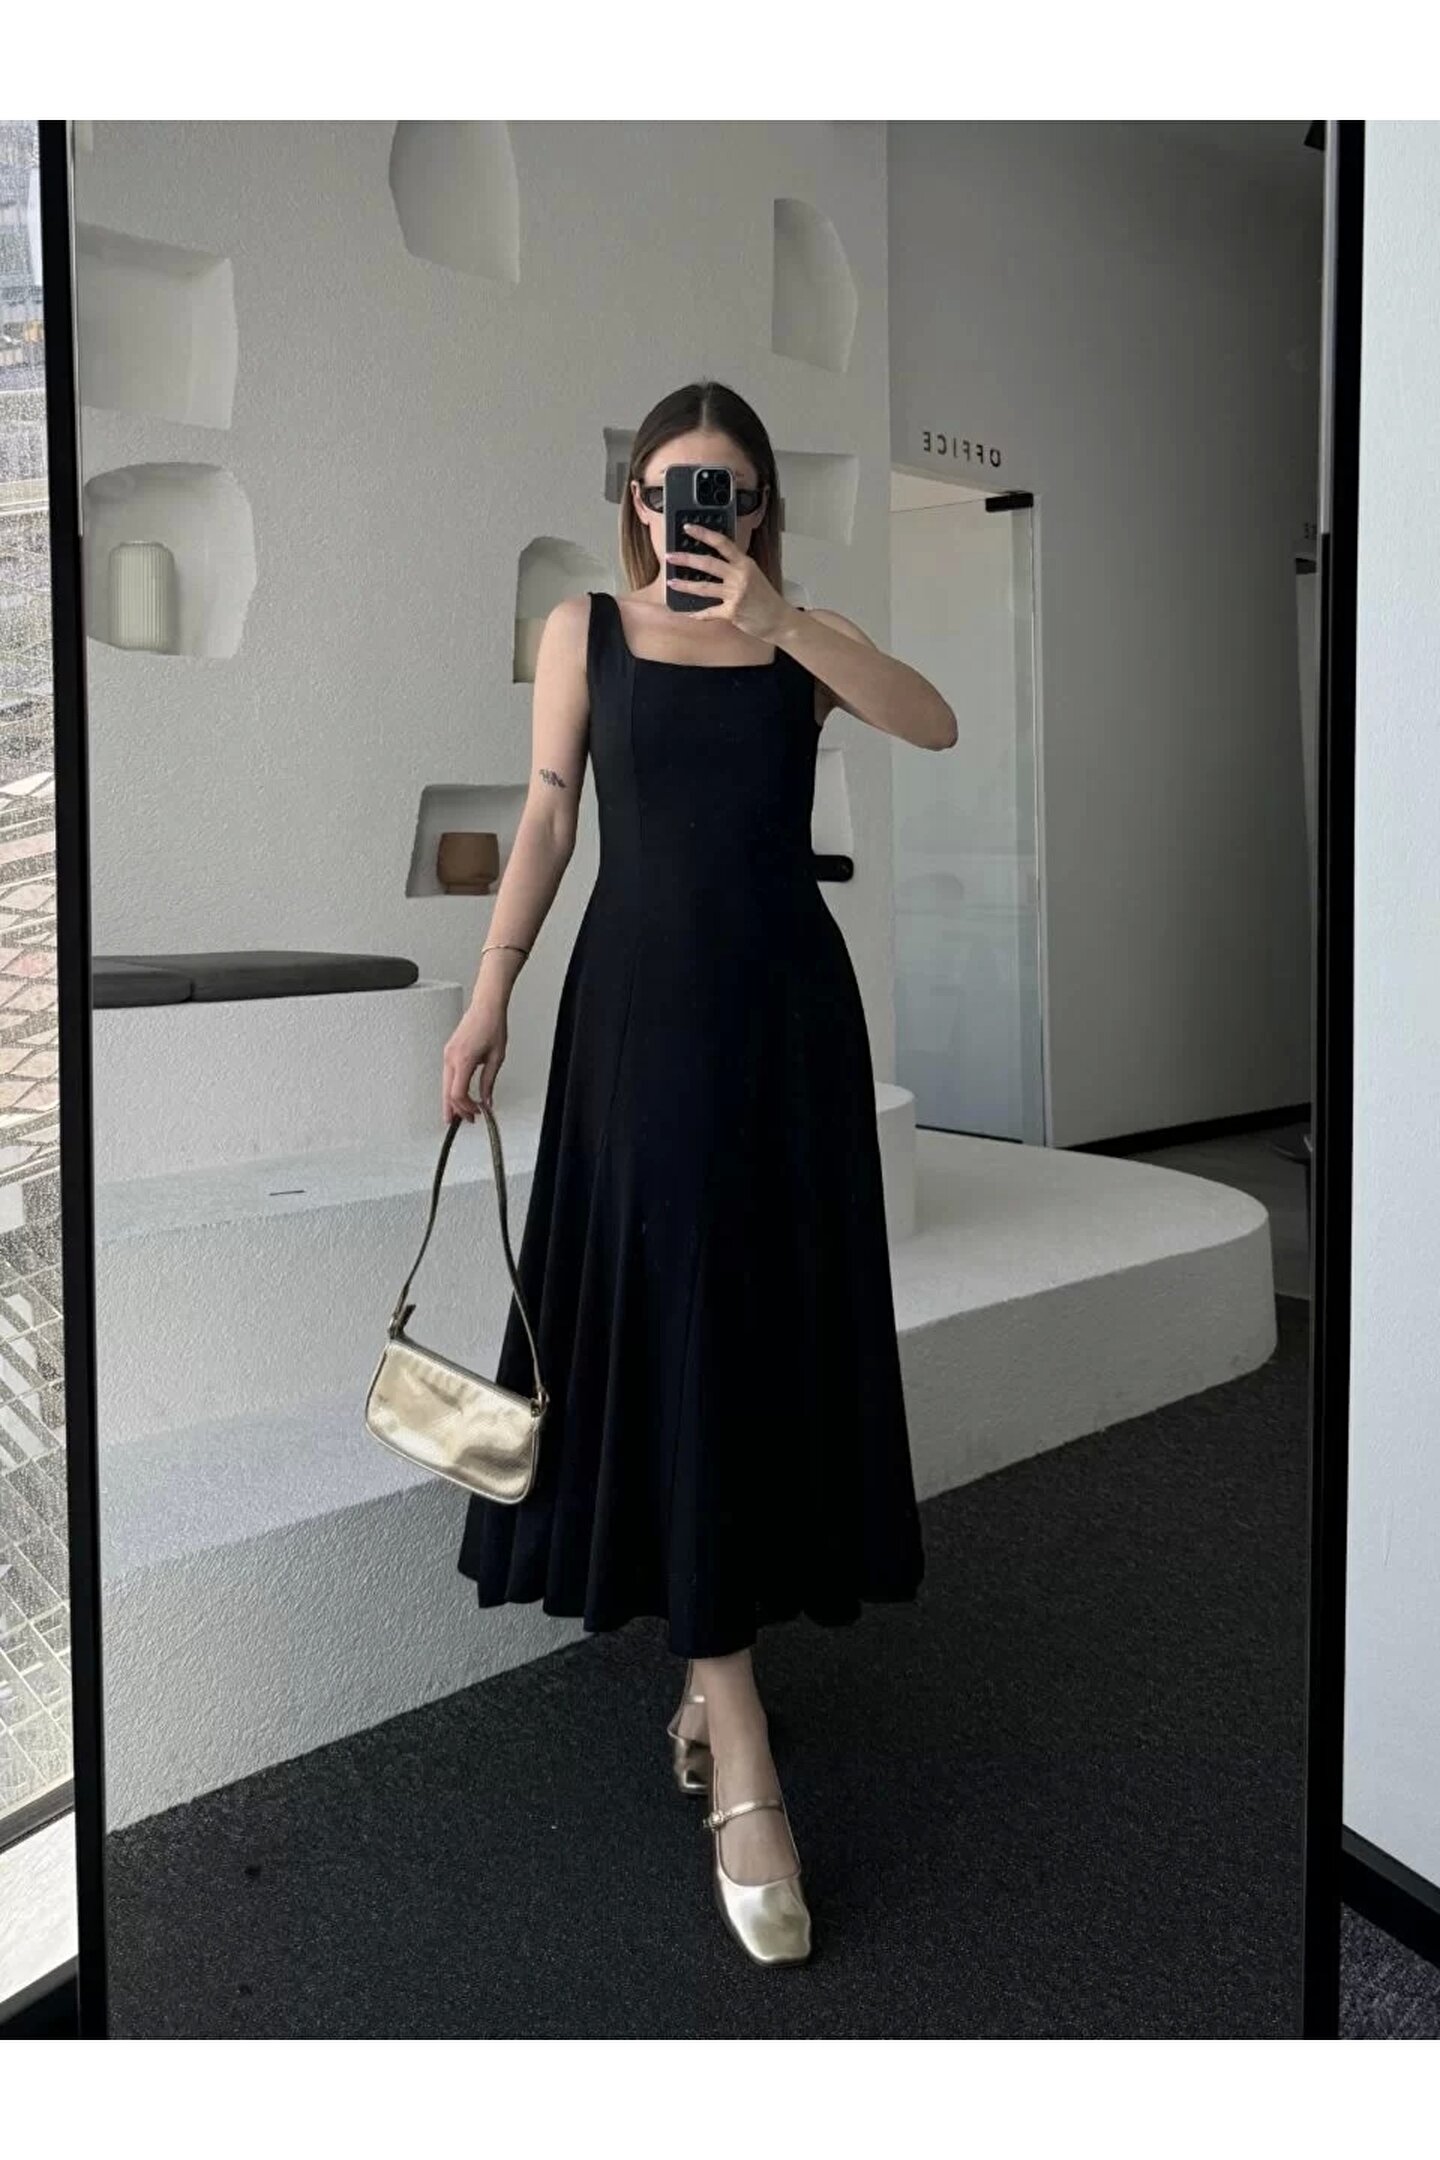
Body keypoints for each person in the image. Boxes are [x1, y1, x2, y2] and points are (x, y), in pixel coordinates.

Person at [445, 379, 957, 1967]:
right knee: (670, 1323)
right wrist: (487, 992)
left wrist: (784, 620)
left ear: (760, 506)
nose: (695, 513)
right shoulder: (584, 630)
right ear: (636, 502)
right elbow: (548, 817)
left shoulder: (803, 640)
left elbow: (934, 721)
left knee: (750, 1332)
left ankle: (707, 1675)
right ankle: (738, 1741)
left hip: (785, 1024)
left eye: (724, 488)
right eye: (673, 486)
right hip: (637, 1024)